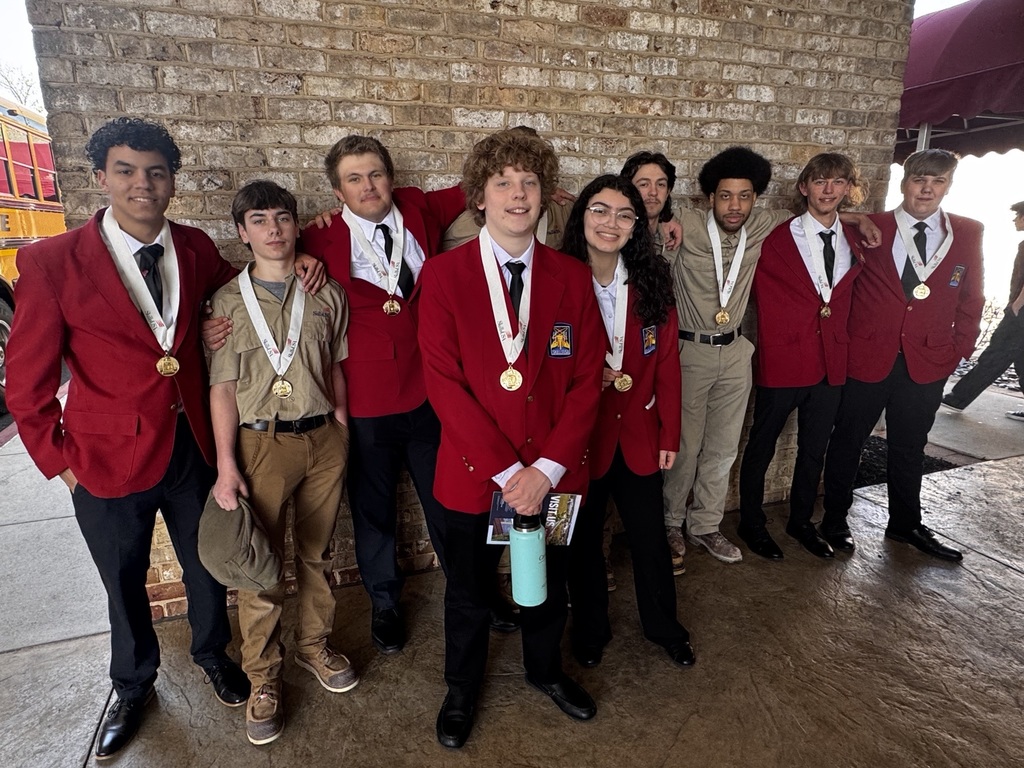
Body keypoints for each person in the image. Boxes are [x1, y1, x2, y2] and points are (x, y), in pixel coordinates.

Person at [5, 118, 257, 760]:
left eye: (155, 172)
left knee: (206, 566)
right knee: (123, 580)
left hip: (192, 447)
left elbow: (245, 289)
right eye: (126, 171)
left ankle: (211, 652)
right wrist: (62, 468)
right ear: (101, 178)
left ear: (172, 180)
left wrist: (300, 261)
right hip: (102, 458)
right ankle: (133, 684)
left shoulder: (196, 249)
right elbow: (26, 383)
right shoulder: (51, 261)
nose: (142, 184)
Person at [417, 128, 604, 749]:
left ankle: (545, 671)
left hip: (553, 478)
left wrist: (545, 470)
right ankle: (462, 688)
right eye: (503, 183)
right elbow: (443, 384)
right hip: (473, 479)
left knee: (547, 584)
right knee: (469, 593)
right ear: (480, 197)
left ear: (546, 195)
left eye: (529, 183)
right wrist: (507, 474)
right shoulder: (444, 276)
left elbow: (586, 381)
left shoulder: (572, 278)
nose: (517, 195)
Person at [661, 147, 879, 570]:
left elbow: (823, 213)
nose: (735, 205)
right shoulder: (683, 224)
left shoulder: (766, 223)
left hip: (737, 350)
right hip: (690, 350)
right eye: (725, 196)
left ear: (756, 199)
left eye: (744, 196)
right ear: (710, 198)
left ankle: (705, 525)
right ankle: (670, 523)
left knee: (723, 448)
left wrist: (859, 217)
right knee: (685, 447)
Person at [299, 135, 469, 654]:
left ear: (391, 178)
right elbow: (272, 254)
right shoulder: (317, 239)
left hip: (432, 390)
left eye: (375, 174)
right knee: (373, 511)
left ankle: (470, 587)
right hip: (367, 400)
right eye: (354, 178)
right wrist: (302, 257)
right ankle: (386, 603)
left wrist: (549, 191)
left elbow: (479, 186)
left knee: (449, 500)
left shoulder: (419, 205)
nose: (367, 186)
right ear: (337, 192)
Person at [208, 180, 354, 745]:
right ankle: (263, 676)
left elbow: (335, 365)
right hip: (259, 445)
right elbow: (221, 388)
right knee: (260, 568)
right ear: (243, 233)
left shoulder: (326, 293)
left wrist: (342, 427)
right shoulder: (224, 305)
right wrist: (227, 463)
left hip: (322, 439)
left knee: (317, 552)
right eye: (260, 220)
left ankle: (316, 646)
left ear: (297, 226)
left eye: (283, 218)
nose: (274, 229)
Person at [822, 149, 984, 562]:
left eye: (939, 181)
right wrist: (854, 215)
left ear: (948, 186)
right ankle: (835, 519)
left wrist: (959, 349)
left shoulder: (967, 231)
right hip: (868, 355)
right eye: (920, 179)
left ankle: (905, 523)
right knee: (849, 440)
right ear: (904, 182)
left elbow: (972, 296)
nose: (927, 189)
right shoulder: (871, 226)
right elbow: (814, 221)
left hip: (927, 360)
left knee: (910, 445)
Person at [560, 175, 694, 669]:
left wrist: (670, 432)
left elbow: (667, 367)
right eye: (600, 210)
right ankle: (590, 629)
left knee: (650, 539)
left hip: (638, 433)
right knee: (580, 541)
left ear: (637, 226)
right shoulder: (557, 278)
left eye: (624, 215)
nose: (610, 223)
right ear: (583, 218)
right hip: (580, 439)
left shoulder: (653, 282)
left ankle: (664, 626)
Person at [737, 153, 867, 560]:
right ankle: (751, 522)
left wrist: (860, 219)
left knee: (814, 448)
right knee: (762, 445)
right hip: (784, 359)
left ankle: (801, 522)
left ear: (847, 189)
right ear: (804, 187)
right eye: (820, 181)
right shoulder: (776, 235)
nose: (829, 189)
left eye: (838, 182)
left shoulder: (858, 238)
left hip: (831, 362)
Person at [941, 200, 1024, 419]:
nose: (1014, 220)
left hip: (1020, 313)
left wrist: (1016, 306)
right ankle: (958, 398)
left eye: (1018, 215)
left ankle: (958, 399)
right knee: (1021, 358)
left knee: (995, 355)